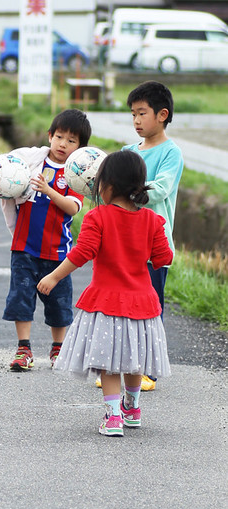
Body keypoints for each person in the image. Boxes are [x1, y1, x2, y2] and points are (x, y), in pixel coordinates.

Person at [36, 149, 173, 437]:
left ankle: (113, 417)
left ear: (107, 185)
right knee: (134, 359)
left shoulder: (98, 217)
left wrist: (53, 276)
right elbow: (164, 258)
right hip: (142, 304)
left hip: (107, 303)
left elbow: (82, 253)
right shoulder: (152, 220)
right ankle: (132, 409)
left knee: (108, 363)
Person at [0, 109, 91, 372]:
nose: (63, 144)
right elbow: (3, 183)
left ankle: (58, 348)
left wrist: (49, 191)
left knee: (59, 305)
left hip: (58, 253)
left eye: (71, 140)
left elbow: (73, 208)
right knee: (21, 299)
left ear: (80, 148)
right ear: (50, 136)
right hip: (24, 248)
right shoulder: (29, 163)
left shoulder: (75, 174)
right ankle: (23, 349)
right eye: (59, 137)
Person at [124, 81, 184, 391]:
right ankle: (124, 366)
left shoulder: (171, 153)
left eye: (142, 113)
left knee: (150, 309)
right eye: (133, 114)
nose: (136, 120)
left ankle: (149, 369)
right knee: (121, 308)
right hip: (123, 247)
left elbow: (161, 188)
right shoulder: (127, 152)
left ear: (162, 115)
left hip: (152, 249)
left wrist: (129, 193)